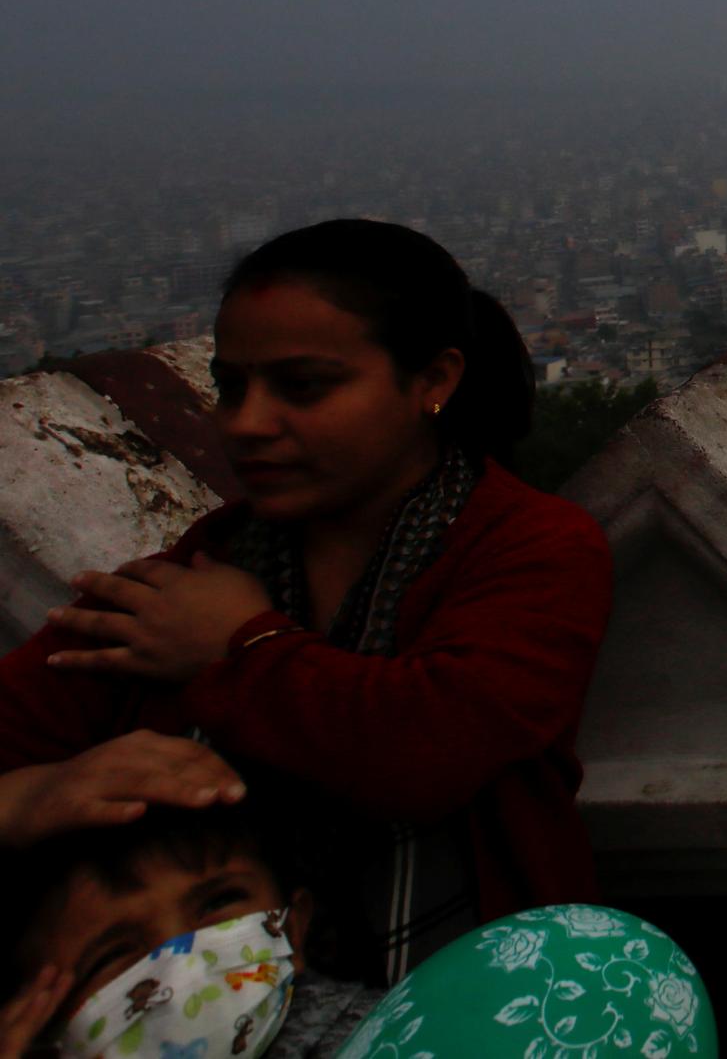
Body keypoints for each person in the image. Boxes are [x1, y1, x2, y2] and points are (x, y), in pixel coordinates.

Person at [0, 219, 615, 983]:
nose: (246, 424)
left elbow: (427, 752)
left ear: (433, 381)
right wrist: (31, 798)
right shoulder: (201, 573)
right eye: (231, 387)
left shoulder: (528, 548)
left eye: (304, 387)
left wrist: (239, 647)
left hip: (475, 1005)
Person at [0, 800, 383, 1059]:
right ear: (43, 1025)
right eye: (113, 955)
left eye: (218, 903)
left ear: (294, 930)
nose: (181, 965)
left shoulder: (382, 1036)